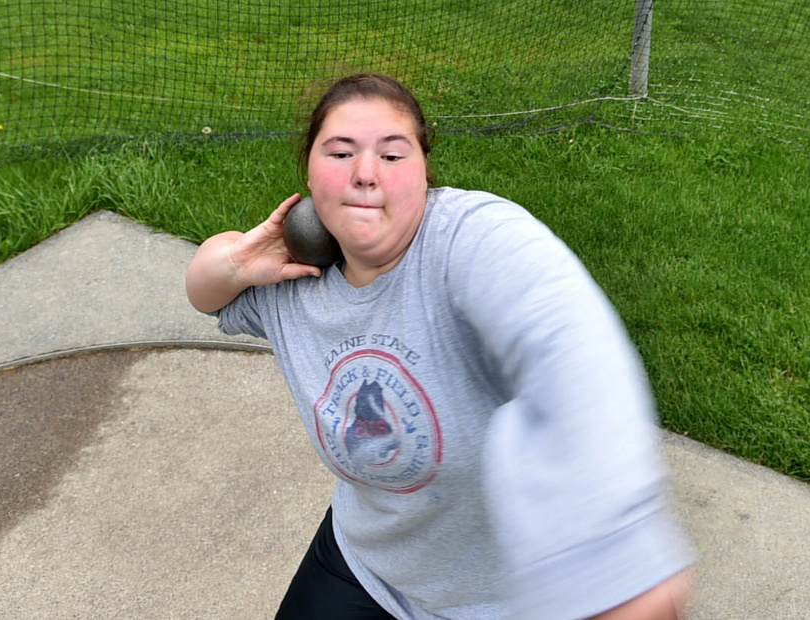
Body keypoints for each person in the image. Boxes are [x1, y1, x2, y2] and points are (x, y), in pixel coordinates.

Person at [185, 73, 694, 620]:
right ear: (309, 169)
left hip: (503, 602)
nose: (364, 174)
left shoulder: (471, 240)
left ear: (425, 172)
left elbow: (571, 348)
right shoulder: (295, 284)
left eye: (392, 154)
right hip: (368, 564)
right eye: (340, 152)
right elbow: (203, 291)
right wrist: (241, 260)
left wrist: (616, 554)